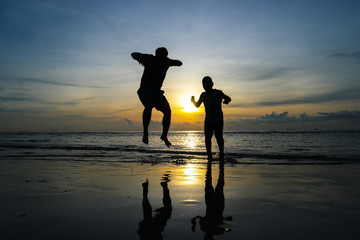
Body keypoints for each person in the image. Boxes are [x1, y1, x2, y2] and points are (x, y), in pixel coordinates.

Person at [131, 47, 182, 147]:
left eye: (164, 57)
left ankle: (164, 135)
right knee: (148, 105)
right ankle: (145, 132)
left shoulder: (166, 62)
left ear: (166, 56)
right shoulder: (150, 59)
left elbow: (180, 63)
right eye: (160, 56)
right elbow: (133, 54)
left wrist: (170, 61)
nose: (161, 59)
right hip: (145, 90)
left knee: (168, 111)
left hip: (157, 93)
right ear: (156, 55)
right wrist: (142, 57)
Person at [191, 76, 231, 161]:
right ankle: (209, 156)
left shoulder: (218, 92)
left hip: (218, 119)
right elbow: (197, 105)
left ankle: (221, 154)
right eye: (204, 85)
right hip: (208, 120)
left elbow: (228, 98)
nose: (205, 86)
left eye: (207, 84)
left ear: (212, 84)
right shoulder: (203, 95)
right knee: (207, 138)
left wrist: (226, 101)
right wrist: (193, 101)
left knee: (219, 137)